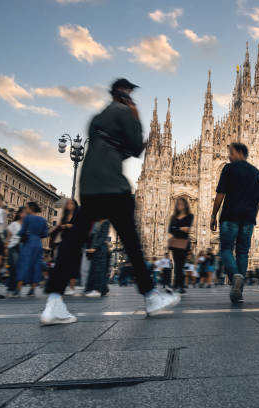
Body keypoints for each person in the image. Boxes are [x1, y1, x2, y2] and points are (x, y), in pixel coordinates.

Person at [41, 78, 178, 325]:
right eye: (130, 97)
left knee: (72, 242)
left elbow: (116, 147)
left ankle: (53, 301)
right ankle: (150, 296)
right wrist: (135, 118)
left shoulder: (98, 118)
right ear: (125, 96)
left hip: (90, 184)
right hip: (113, 185)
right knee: (132, 241)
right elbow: (136, 148)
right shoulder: (124, 112)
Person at [210, 142, 259, 304]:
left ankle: (235, 277)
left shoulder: (228, 168)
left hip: (230, 216)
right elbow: (258, 200)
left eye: (231, 153)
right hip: (248, 219)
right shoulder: (256, 172)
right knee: (242, 253)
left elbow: (220, 194)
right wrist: (252, 216)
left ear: (240, 152)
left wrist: (213, 215)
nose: (228, 156)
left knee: (225, 250)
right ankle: (238, 292)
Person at [11, 202, 48, 297]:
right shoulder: (43, 220)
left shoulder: (27, 218)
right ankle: (32, 289)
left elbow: (22, 231)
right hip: (38, 244)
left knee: (23, 265)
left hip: (28, 243)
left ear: (31, 209)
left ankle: (18, 290)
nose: (26, 209)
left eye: (27, 208)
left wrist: (17, 236)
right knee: (36, 266)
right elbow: (45, 234)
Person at [50, 199, 81, 296]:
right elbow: (58, 229)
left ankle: (72, 287)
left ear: (75, 205)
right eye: (67, 203)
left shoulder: (78, 216)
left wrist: (70, 226)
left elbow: (82, 227)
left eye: (71, 203)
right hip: (64, 242)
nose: (69, 205)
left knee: (73, 265)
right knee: (63, 264)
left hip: (75, 243)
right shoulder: (64, 216)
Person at [168, 197, 193, 294]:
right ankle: (179, 286)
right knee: (177, 265)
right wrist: (180, 228)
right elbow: (170, 229)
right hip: (175, 243)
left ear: (185, 205)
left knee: (180, 265)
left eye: (182, 204)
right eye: (178, 204)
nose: (180, 206)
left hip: (184, 243)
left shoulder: (189, 216)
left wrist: (176, 228)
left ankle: (177, 285)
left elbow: (187, 229)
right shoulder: (173, 217)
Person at [84, 219, 111, 297]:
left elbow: (103, 236)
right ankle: (103, 289)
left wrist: (95, 247)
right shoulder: (97, 222)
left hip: (101, 249)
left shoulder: (105, 222)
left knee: (99, 269)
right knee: (96, 268)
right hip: (97, 248)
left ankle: (97, 290)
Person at [5, 206, 26, 294]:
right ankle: (12, 286)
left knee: (19, 268)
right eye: (23, 212)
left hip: (23, 247)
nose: (24, 214)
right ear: (19, 213)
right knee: (14, 266)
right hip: (13, 246)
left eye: (26, 213)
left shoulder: (27, 225)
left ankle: (15, 287)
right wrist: (6, 247)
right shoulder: (14, 224)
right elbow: (8, 236)